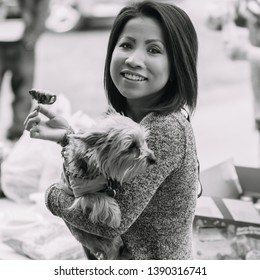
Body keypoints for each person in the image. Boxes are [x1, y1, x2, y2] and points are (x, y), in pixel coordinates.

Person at [24, 0, 199, 260]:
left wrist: (51, 197)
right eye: (127, 45)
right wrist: (70, 139)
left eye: (153, 50)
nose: (133, 59)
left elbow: (109, 224)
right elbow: (106, 165)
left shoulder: (163, 128)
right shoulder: (130, 118)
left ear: (177, 66)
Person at [0, 0, 49, 141]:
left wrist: (34, 35)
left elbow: (43, 7)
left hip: (23, 42)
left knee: (23, 90)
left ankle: (17, 133)